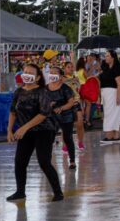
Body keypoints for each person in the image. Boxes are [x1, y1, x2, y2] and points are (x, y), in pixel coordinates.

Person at [6, 64, 63, 202]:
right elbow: (13, 112)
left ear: (37, 78)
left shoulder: (42, 92)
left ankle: (58, 192)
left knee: (44, 161)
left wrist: (24, 128)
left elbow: (43, 114)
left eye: (31, 73)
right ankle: (20, 192)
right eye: (25, 72)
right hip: (25, 130)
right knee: (20, 161)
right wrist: (9, 130)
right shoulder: (19, 92)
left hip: (43, 130)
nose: (27, 75)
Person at [46, 66, 79, 169]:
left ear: (60, 76)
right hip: (51, 116)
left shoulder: (66, 88)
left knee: (67, 138)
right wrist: (48, 105)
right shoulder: (46, 88)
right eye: (50, 72)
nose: (52, 75)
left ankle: (72, 161)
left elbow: (71, 102)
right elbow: (41, 101)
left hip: (66, 116)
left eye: (55, 73)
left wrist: (61, 108)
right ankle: (47, 161)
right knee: (48, 138)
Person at [99, 50, 120, 144]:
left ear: (113, 57)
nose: (106, 57)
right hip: (106, 94)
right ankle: (115, 136)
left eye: (108, 56)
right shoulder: (105, 67)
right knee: (109, 114)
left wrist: (118, 97)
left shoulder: (118, 68)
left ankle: (110, 136)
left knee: (112, 115)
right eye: (105, 56)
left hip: (114, 93)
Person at [63, 61, 86, 152]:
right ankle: (65, 144)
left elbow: (78, 92)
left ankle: (80, 142)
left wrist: (81, 105)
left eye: (72, 67)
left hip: (76, 103)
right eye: (68, 67)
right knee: (66, 127)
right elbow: (64, 81)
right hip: (66, 104)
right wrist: (74, 80)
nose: (71, 68)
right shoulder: (62, 78)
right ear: (64, 68)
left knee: (80, 124)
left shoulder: (76, 79)